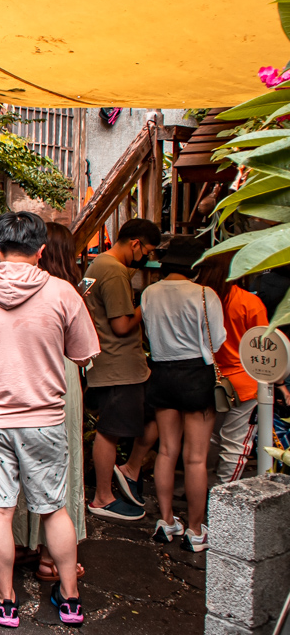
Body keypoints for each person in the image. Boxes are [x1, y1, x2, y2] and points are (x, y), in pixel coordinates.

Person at [0, 212, 99, 627]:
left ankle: (7, 603)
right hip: (45, 419)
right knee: (53, 509)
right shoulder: (63, 293)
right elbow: (84, 356)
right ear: (42, 251)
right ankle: (69, 599)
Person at [13, 222, 89, 583]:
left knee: (16, 462)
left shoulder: (18, 287)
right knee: (60, 463)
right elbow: (86, 354)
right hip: (61, 377)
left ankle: (21, 543)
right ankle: (50, 559)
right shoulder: (66, 292)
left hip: (19, 375)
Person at [140, 236, 225, 552]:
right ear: (195, 265)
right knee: (196, 458)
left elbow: (148, 332)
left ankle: (166, 521)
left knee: (166, 451)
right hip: (195, 376)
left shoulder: (149, 293)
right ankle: (195, 529)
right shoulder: (205, 294)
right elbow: (216, 340)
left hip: (161, 373)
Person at [83, 217, 162, 522]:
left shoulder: (98, 265)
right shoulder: (114, 272)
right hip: (118, 365)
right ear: (135, 244)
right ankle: (102, 497)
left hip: (117, 364)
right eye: (146, 252)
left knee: (151, 416)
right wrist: (148, 303)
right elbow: (121, 325)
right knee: (110, 431)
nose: (145, 259)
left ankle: (128, 470)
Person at [198, 253, 270, 483]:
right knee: (235, 444)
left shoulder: (198, 300)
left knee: (207, 440)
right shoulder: (249, 302)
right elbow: (264, 348)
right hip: (243, 382)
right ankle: (224, 497)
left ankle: (205, 489)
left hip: (207, 378)